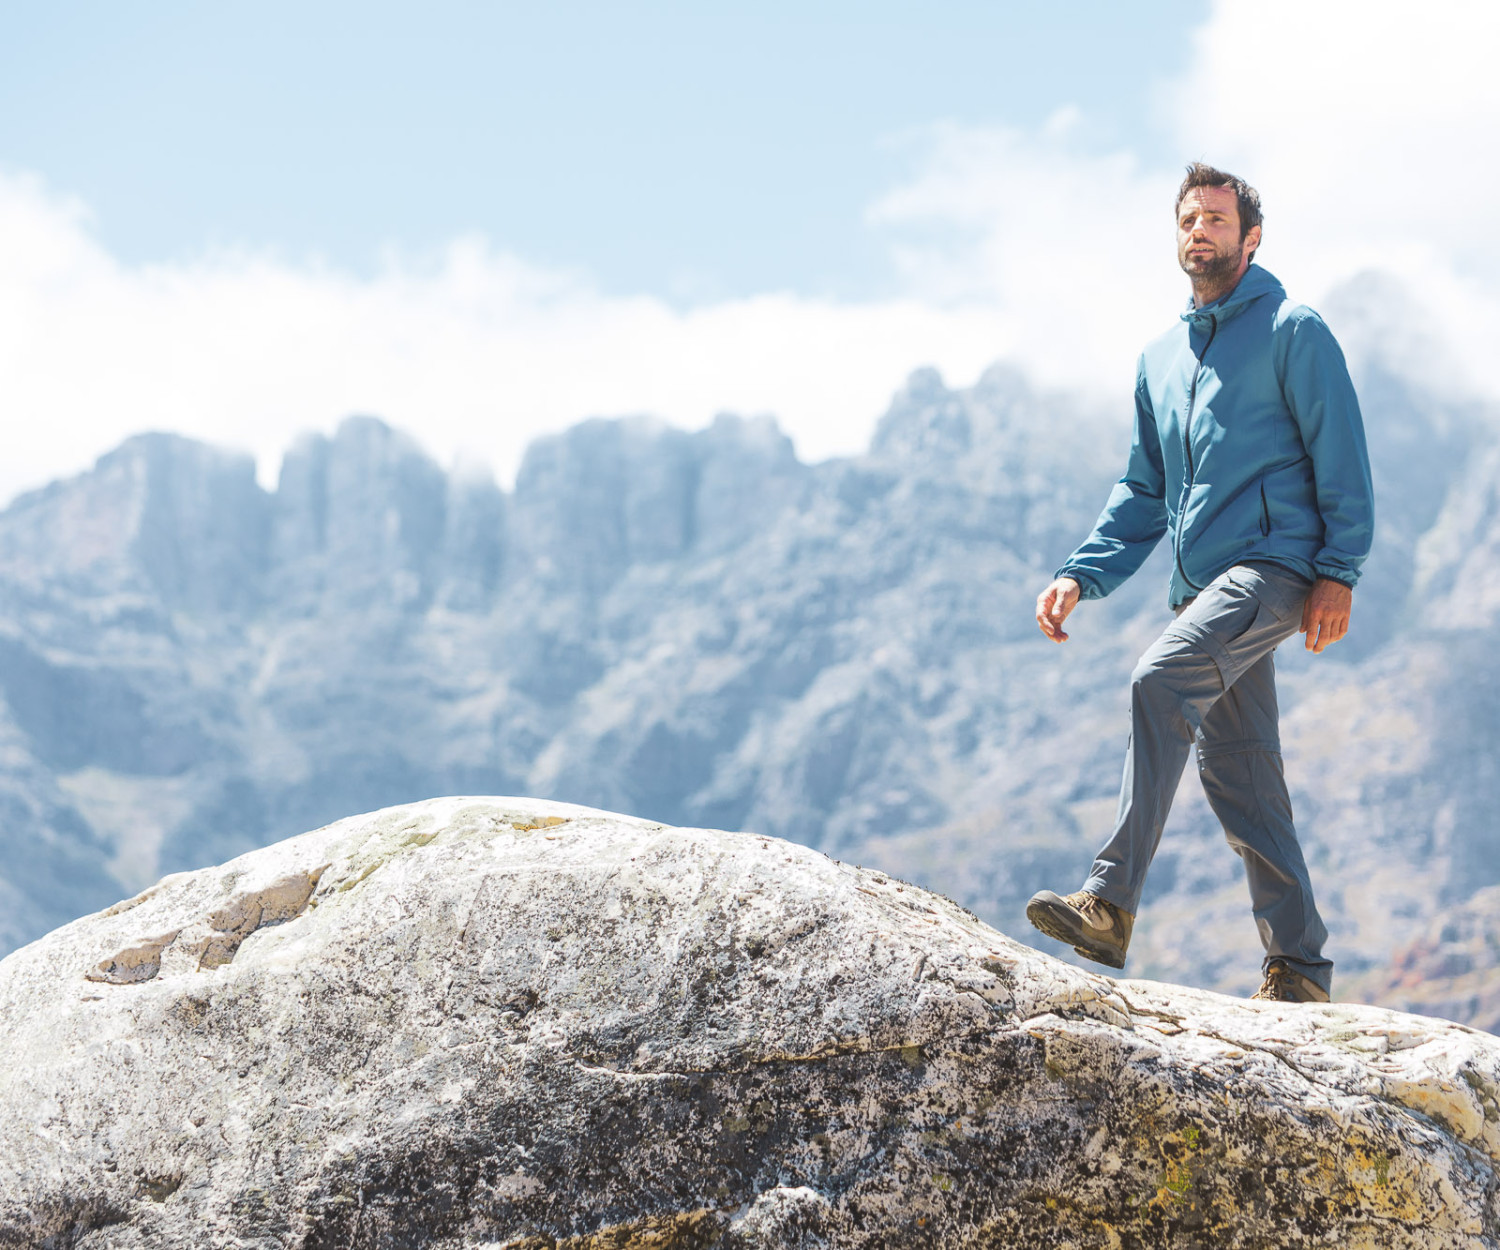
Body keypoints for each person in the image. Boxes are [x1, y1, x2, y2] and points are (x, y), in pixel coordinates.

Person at [1026, 162, 1374, 1004]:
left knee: (1157, 679)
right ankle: (1299, 968)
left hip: (1275, 567)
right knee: (1243, 778)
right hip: (1202, 590)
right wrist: (1084, 573)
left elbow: (1344, 457)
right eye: (1189, 218)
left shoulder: (1295, 330)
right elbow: (1145, 490)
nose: (1200, 231)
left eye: (1217, 219)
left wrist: (1338, 572)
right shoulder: (1158, 360)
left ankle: (1108, 902)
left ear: (1250, 238)